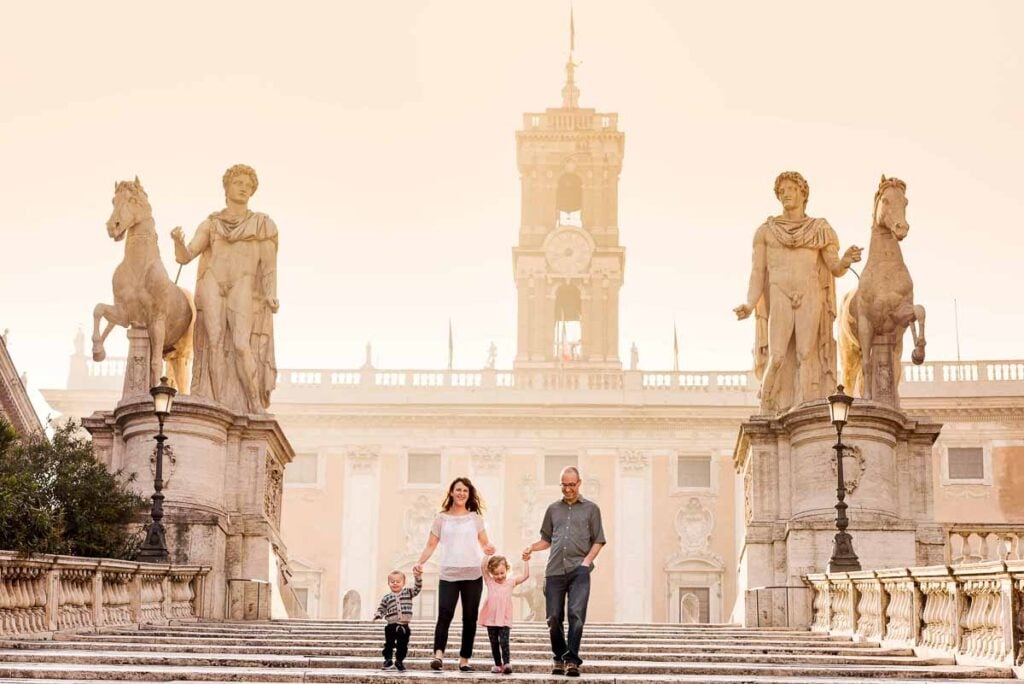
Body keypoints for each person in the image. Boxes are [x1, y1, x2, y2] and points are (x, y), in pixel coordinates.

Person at [734, 171, 862, 413]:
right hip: (779, 292)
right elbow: (757, 272)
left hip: (810, 293)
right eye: (781, 192)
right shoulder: (766, 231)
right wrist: (750, 304)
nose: (785, 195)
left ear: (803, 193)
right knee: (778, 355)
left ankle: (808, 411)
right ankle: (766, 408)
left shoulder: (820, 229)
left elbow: (834, 267)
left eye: (790, 189)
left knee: (806, 353)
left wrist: (846, 259)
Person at [171, 164, 278, 414]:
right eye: (238, 183)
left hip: (243, 284)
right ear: (227, 187)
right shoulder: (211, 223)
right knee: (213, 343)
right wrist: (177, 242)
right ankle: (216, 404)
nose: (243, 188)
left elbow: (269, 266)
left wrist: (271, 294)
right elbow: (186, 256)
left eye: (248, 186)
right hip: (212, 281)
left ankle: (253, 402)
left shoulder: (262, 224)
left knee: (242, 344)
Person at [523, 466, 605, 678]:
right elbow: (546, 540)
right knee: (553, 617)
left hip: (579, 569)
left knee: (576, 615)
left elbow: (598, 540)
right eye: (564, 485)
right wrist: (531, 547)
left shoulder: (591, 509)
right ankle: (559, 656)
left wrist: (586, 563)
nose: (568, 489)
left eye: (572, 485)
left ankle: (571, 661)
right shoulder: (552, 509)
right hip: (554, 570)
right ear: (560, 484)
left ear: (579, 483)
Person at [413, 477, 495, 672]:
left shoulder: (475, 518)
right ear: (451, 492)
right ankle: (438, 656)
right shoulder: (441, 518)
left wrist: (489, 547)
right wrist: (420, 562)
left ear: (469, 494)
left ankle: (464, 660)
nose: (461, 494)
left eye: (465, 491)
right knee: (444, 615)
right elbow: (431, 545)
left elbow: (484, 543)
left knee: (469, 618)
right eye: (458, 490)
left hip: (472, 574)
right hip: (448, 573)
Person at [479, 553, 531, 674]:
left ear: (507, 569)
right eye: (496, 574)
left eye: (502, 573)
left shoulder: (511, 582)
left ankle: (507, 663)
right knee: (494, 643)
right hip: (491, 619)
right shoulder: (490, 582)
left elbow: (525, 576)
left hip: (504, 618)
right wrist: (487, 554)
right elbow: (483, 567)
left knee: (504, 641)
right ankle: (498, 665)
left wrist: (526, 561)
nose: (499, 576)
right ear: (492, 573)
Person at [371, 568, 422, 671]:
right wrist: (378, 614)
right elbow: (382, 608)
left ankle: (399, 661)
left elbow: (417, 588)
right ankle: (388, 660)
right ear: (388, 583)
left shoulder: (408, 592)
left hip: (404, 626)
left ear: (403, 583)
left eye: (398, 582)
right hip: (391, 626)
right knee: (389, 644)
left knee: (402, 645)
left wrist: (418, 577)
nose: (395, 584)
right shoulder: (387, 597)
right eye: (392, 582)